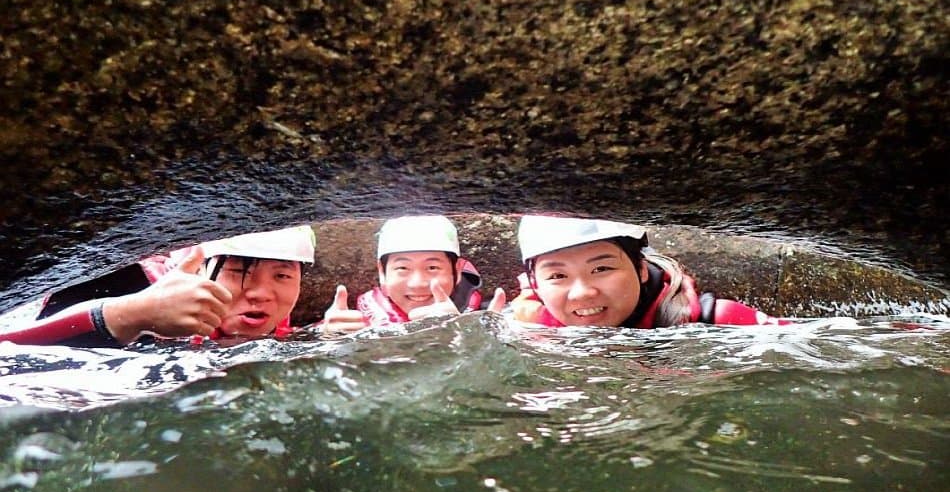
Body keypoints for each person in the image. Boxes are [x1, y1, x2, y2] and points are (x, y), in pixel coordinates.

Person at [0, 225, 316, 347]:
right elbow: (9, 348)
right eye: (238, 271)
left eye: (282, 276)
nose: (261, 292)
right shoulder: (123, 280)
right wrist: (135, 313)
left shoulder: (277, 320)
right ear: (198, 267)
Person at [511, 215, 789, 328]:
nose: (583, 291)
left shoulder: (719, 321)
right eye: (558, 276)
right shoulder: (523, 328)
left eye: (602, 268)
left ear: (641, 269)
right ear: (534, 284)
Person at [321, 215, 505, 333]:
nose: (417, 283)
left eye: (432, 268)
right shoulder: (353, 324)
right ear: (382, 273)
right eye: (402, 268)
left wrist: (471, 337)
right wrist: (331, 342)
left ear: (456, 270)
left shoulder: (486, 318)